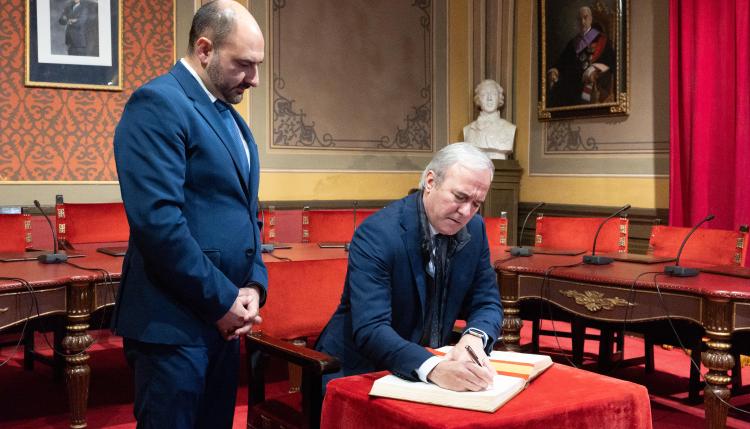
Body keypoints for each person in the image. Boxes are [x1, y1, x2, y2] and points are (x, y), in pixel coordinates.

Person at [111, 1, 267, 427]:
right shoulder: (158, 103)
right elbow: (158, 225)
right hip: (173, 326)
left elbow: (247, 214)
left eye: (258, 65)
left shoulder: (231, 118)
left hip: (224, 322)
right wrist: (223, 301)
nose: (254, 78)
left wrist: (254, 283)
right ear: (204, 49)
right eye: (244, 65)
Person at [316, 143, 503, 392]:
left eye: (477, 203)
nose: (466, 212)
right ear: (430, 181)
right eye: (460, 197)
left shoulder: (475, 230)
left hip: (432, 365)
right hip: (360, 370)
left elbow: (487, 302)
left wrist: (474, 338)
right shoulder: (378, 233)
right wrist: (434, 368)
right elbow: (371, 329)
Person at [546, 6, 615, 107]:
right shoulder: (572, 43)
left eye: (585, 18)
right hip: (571, 83)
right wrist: (554, 70)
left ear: (591, 19)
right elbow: (561, 62)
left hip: (589, 82)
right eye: (579, 19)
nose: (582, 22)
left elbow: (611, 61)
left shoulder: (602, 40)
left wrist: (595, 68)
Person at [463, 79, 516, 160]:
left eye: (494, 94)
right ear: (478, 99)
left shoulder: (510, 128)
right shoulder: (467, 130)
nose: (489, 98)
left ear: (499, 98)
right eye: (484, 94)